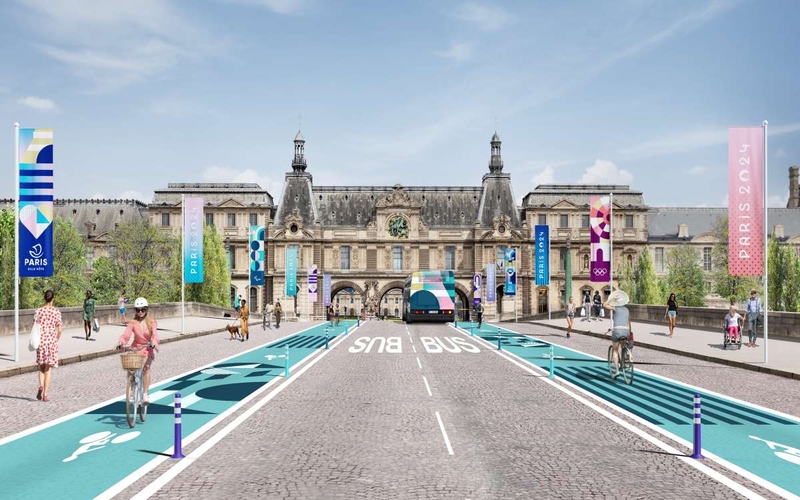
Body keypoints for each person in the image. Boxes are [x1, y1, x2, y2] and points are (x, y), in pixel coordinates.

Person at [117, 297, 160, 405]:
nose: (140, 312)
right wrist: (121, 342)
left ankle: (145, 393)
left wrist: (154, 342)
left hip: (147, 348)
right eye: (138, 310)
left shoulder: (152, 322)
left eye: (142, 309)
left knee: (146, 367)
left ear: (146, 310)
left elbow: (155, 335)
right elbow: (126, 335)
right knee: (130, 368)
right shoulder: (132, 323)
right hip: (136, 348)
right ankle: (131, 390)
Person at [34, 289, 63, 402]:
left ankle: (40, 385)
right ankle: (45, 394)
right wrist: (56, 339)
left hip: (41, 341)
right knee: (48, 369)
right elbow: (60, 329)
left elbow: (35, 327)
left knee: (41, 366)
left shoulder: (38, 311)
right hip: (51, 341)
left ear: (44, 298)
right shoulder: (56, 312)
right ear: (53, 299)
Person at [603, 289, 633, 379]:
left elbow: (604, 305)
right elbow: (629, 322)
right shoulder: (627, 310)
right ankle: (628, 356)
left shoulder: (615, 308)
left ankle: (616, 371)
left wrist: (611, 298)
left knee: (615, 351)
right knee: (623, 345)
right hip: (626, 331)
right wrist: (629, 333)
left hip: (617, 331)